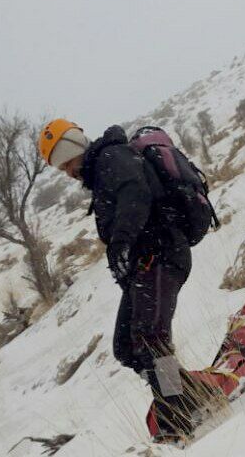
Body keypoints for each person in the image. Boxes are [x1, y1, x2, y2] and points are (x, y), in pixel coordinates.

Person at [38, 119, 215, 442]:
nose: (66, 172)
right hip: (145, 264)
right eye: (59, 167)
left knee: (151, 338)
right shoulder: (101, 169)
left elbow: (136, 193)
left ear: (76, 147)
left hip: (163, 254)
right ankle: (189, 394)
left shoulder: (111, 158)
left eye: (66, 162)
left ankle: (177, 417)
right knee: (126, 347)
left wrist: (121, 243)